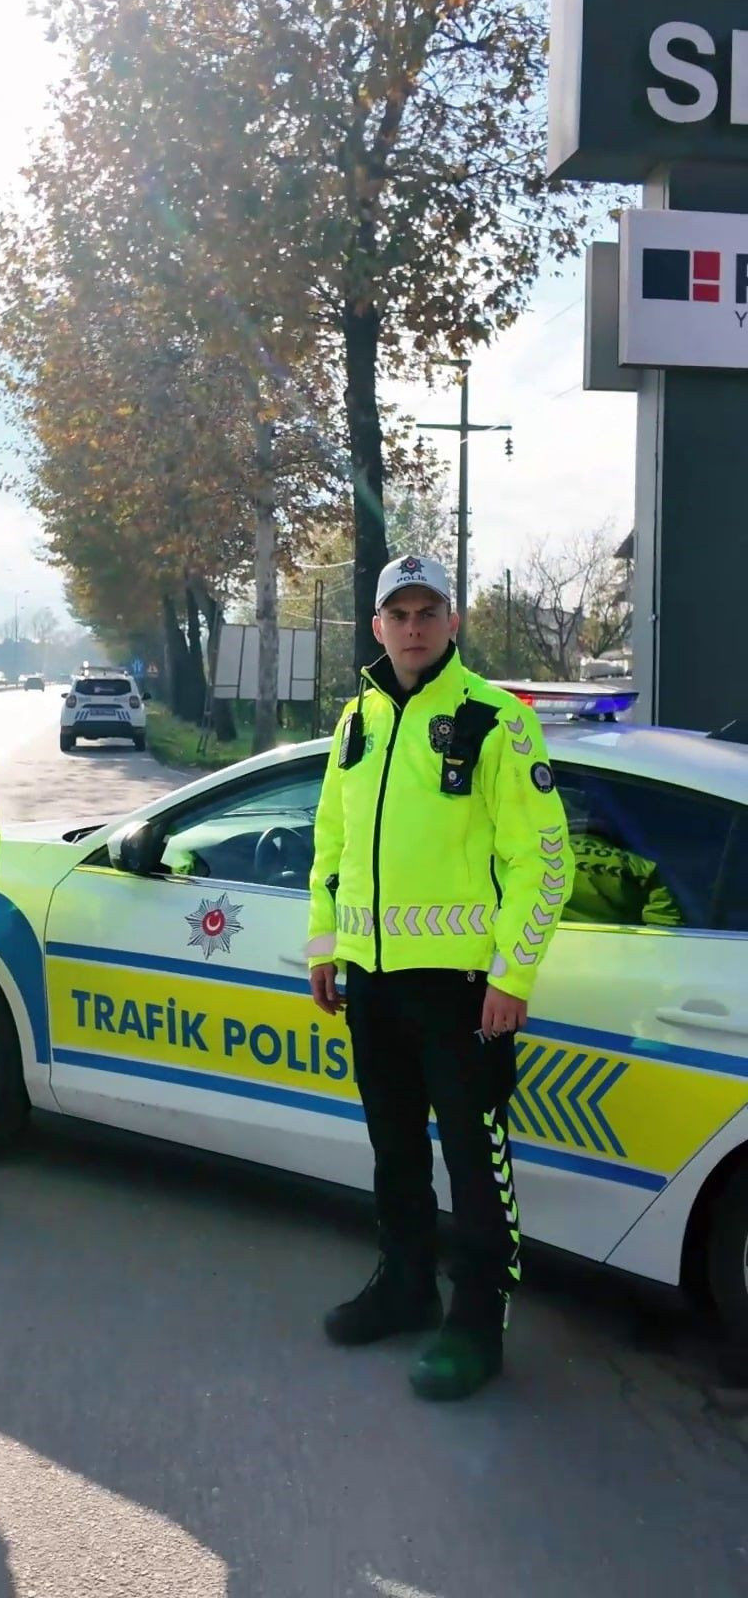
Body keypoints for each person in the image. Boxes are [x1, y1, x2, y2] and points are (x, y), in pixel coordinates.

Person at [306, 554, 573, 1401]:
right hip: (373, 983)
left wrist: (512, 971)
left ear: (452, 622)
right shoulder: (356, 720)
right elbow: (330, 848)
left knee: (473, 1157)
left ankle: (477, 1324)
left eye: (428, 612)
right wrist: (325, 947)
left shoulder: (495, 719)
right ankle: (407, 1286)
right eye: (399, 613)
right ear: (377, 625)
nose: (414, 627)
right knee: (394, 1152)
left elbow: (543, 859)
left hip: (462, 990)